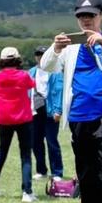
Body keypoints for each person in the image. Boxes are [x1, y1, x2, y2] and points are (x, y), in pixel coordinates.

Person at [41, 0, 102, 203]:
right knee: (88, 179)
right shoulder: (71, 47)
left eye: (91, 15)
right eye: (81, 16)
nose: (86, 20)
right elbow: (47, 66)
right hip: (80, 118)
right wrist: (56, 48)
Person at [0, 47, 38, 203]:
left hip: (4, 118)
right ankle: (27, 192)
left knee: (1, 152)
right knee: (26, 155)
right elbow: (32, 84)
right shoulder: (23, 76)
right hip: (23, 118)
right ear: (17, 59)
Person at [28, 46, 63, 180]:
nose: (40, 56)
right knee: (35, 142)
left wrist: (57, 110)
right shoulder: (31, 72)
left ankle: (57, 172)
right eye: (37, 54)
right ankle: (41, 170)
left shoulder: (55, 71)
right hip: (34, 111)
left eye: (42, 54)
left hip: (49, 111)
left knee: (51, 142)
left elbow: (58, 91)